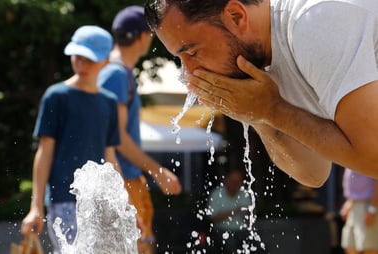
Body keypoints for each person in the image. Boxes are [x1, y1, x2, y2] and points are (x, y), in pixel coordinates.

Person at [144, 0, 378, 187]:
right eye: (180, 59)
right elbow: (313, 172)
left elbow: (373, 157)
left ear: (236, 16)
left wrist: (273, 110)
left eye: (193, 53)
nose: (188, 74)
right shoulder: (267, 53)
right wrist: (257, 114)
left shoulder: (314, 22)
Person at [20, 25, 120, 253]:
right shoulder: (56, 96)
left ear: (105, 60)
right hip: (63, 198)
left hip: (101, 203)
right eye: (78, 57)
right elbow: (44, 152)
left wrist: (125, 205)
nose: (82, 64)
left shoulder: (109, 102)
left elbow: (110, 156)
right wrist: (36, 206)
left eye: (90, 59)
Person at [97, 6, 182, 254]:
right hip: (123, 181)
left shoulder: (113, 72)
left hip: (124, 179)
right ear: (143, 37)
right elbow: (117, 136)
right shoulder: (116, 74)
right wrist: (158, 170)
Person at [208, 169, 252, 254]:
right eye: (232, 181)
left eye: (237, 181)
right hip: (222, 230)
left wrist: (247, 214)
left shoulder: (244, 194)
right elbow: (213, 217)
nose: (235, 183)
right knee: (230, 244)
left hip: (242, 232)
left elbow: (250, 217)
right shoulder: (217, 194)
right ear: (226, 180)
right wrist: (235, 211)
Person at [340, 168, 378, 254]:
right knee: (349, 246)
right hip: (354, 204)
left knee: (369, 248)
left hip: (369, 205)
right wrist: (350, 201)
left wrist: (372, 209)